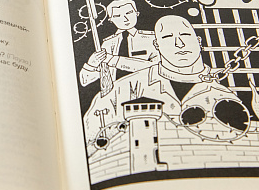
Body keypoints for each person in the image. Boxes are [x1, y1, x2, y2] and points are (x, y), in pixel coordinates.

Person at [83, 15, 250, 145]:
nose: (179, 43)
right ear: (156, 45)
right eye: (168, 37)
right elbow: (89, 137)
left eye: (185, 35)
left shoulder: (223, 95)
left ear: (199, 42)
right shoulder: (124, 89)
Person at [79, 0, 159, 88]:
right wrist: (91, 65)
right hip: (116, 92)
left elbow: (157, 69)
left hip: (146, 90)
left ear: (137, 13)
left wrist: (113, 60)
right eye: (117, 16)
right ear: (111, 20)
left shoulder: (151, 39)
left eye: (129, 13)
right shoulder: (107, 43)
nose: (125, 19)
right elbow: (85, 81)